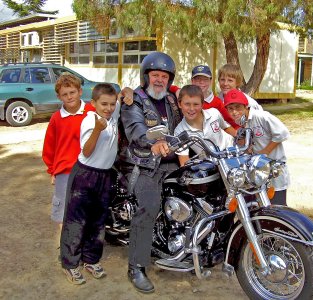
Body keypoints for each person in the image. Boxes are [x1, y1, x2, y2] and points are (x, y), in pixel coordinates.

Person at [118, 51, 182, 294]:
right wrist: (151, 143)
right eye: (155, 75)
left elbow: (196, 104)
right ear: (146, 76)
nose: (159, 80)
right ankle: (136, 266)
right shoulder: (133, 100)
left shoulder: (171, 99)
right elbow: (136, 130)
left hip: (170, 162)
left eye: (164, 76)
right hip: (143, 164)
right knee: (150, 205)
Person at [60, 83, 133, 285]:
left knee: (98, 220)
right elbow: (87, 151)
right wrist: (97, 131)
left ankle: (90, 259)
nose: (108, 108)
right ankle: (70, 264)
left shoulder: (112, 113)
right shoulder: (90, 121)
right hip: (85, 174)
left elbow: (123, 93)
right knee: (76, 221)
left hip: (104, 175)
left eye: (111, 104)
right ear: (93, 103)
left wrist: (127, 91)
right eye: (104, 104)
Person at [42, 73, 95, 251]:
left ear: (80, 91)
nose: (69, 97)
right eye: (65, 94)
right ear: (59, 96)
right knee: (64, 209)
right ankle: (66, 244)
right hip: (64, 170)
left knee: (85, 208)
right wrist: (52, 171)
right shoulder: (56, 118)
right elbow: (49, 147)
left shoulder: (91, 112)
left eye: (72, 92)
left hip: (88, 170)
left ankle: (83, 243)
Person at [224, 89, 290, 206]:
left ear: (246, 107)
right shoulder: (243, 122)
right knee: (262, 204)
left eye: (238, 107)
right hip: (260, 171)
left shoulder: (261, 116)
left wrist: (265, 152)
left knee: (277, 205)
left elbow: (282, 133)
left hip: (274, 168)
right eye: (230, 109)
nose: (234, 112)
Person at [174, 85, 235, 166]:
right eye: (187, 104)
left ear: (202, 104)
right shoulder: (179, 131)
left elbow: (227, 128)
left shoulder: (214, 113)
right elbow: (184, 161)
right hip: (211, 165)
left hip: (232, 152)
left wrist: (242, 139)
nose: (191, 109)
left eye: (196, 104)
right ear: (179, 104)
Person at [190, 64, 239, 129]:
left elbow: (230, 122)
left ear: (210, 81)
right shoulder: (186, 98)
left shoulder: (217, 102)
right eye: (198, 79)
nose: (201, 82)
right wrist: (176, 89)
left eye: (205, 79)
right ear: (192, 81)